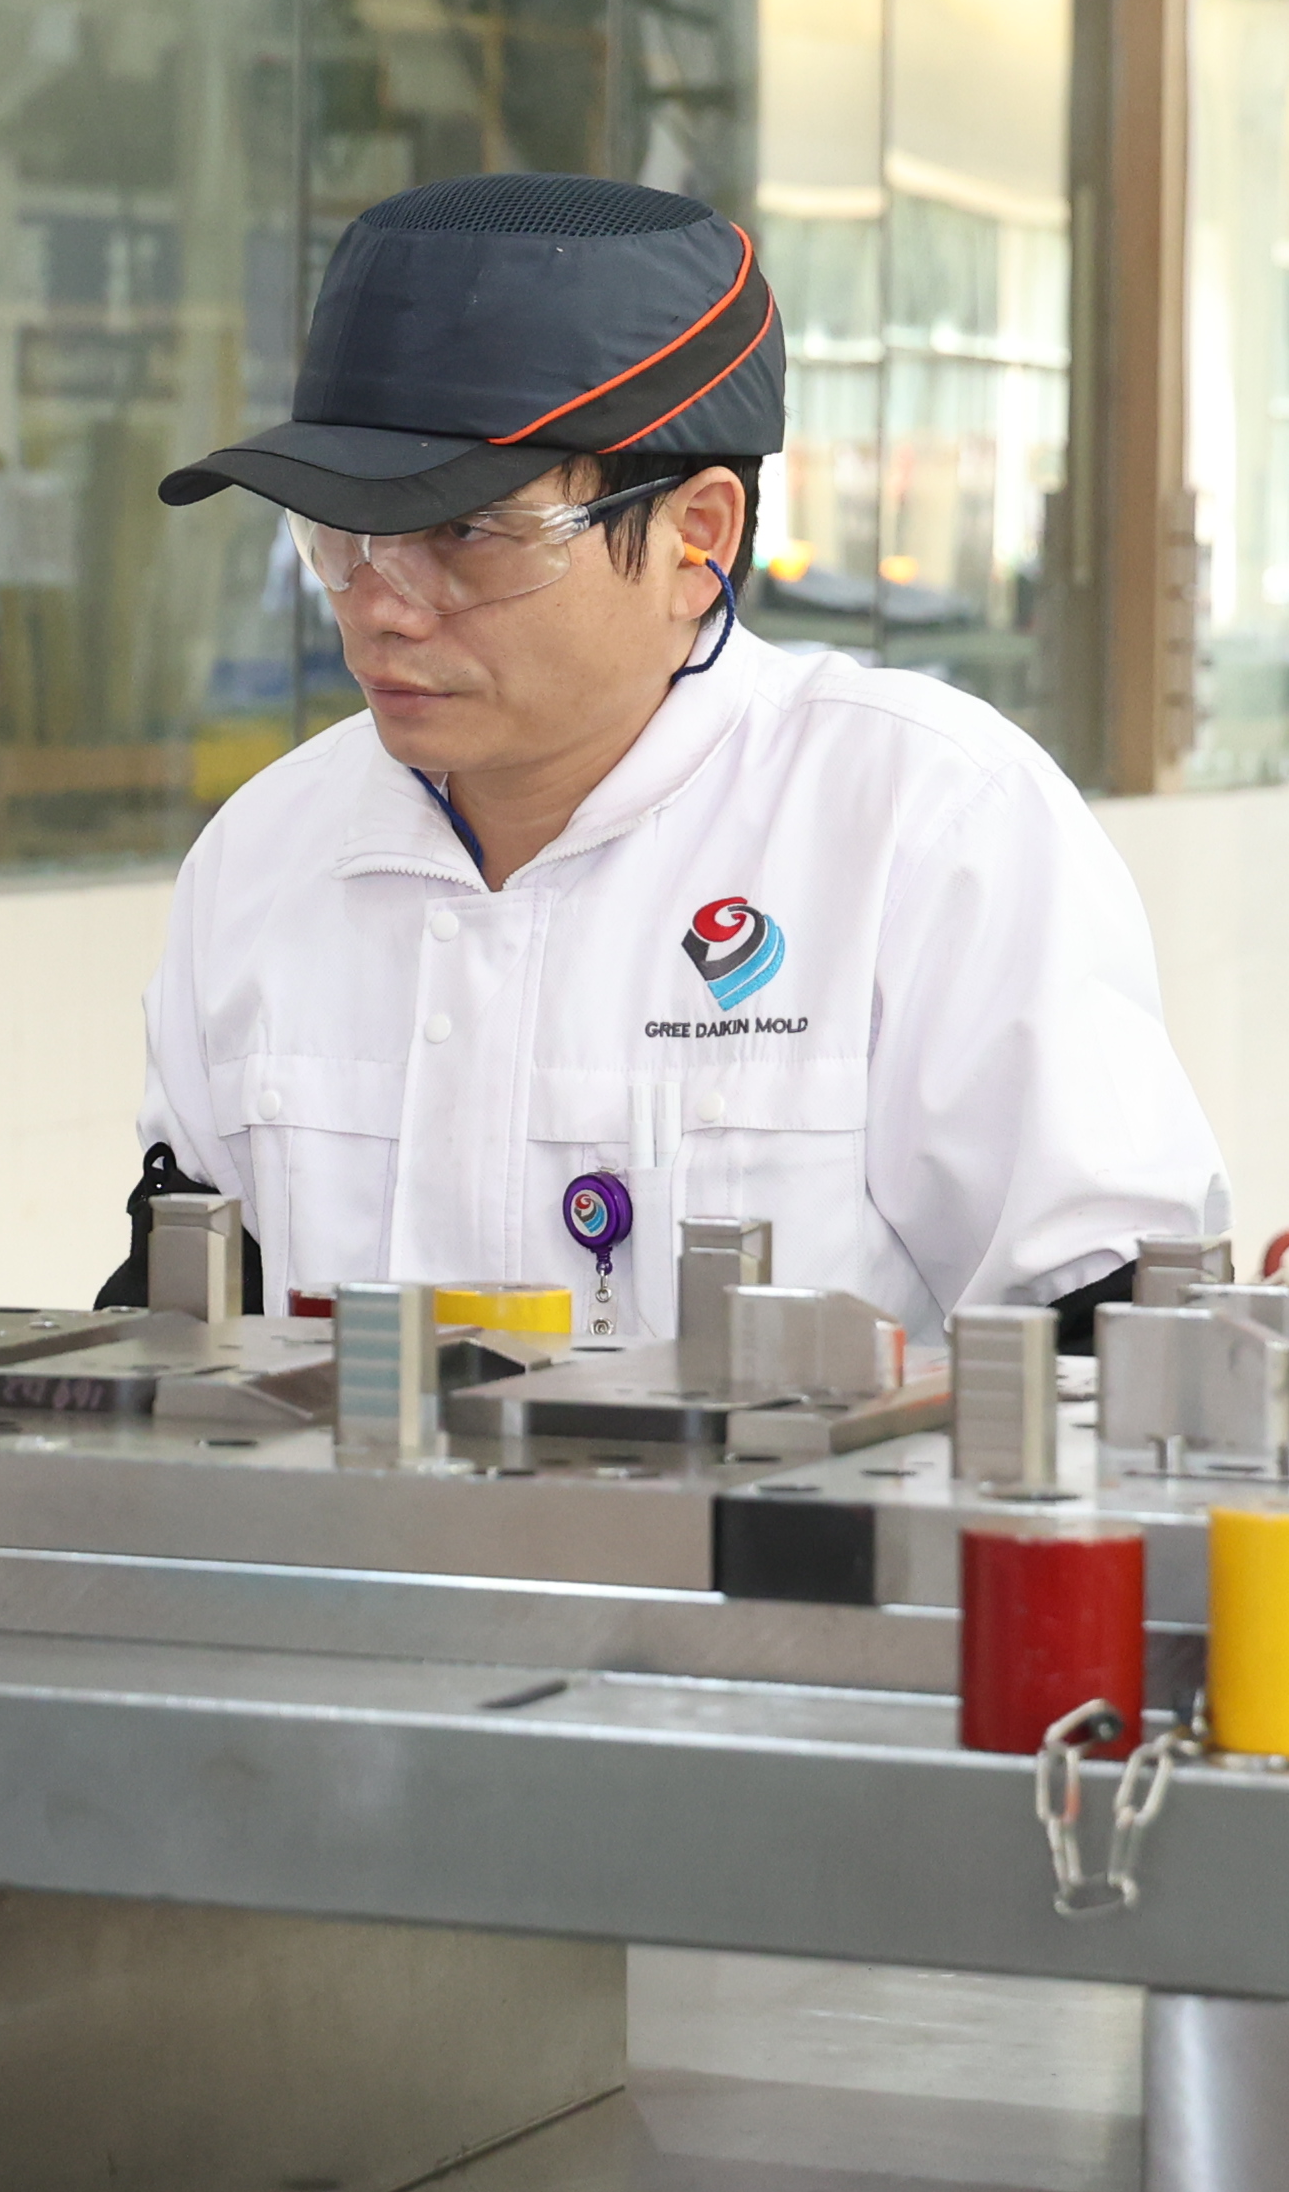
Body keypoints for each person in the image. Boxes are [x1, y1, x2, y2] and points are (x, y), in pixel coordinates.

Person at [122, 173, 1224, 1337]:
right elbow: (182, 1332)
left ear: (697, 537)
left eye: (466, 532)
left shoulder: (923, 828)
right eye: (341, 535)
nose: (381, 606)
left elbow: (1126, 1350)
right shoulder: (263, 856)